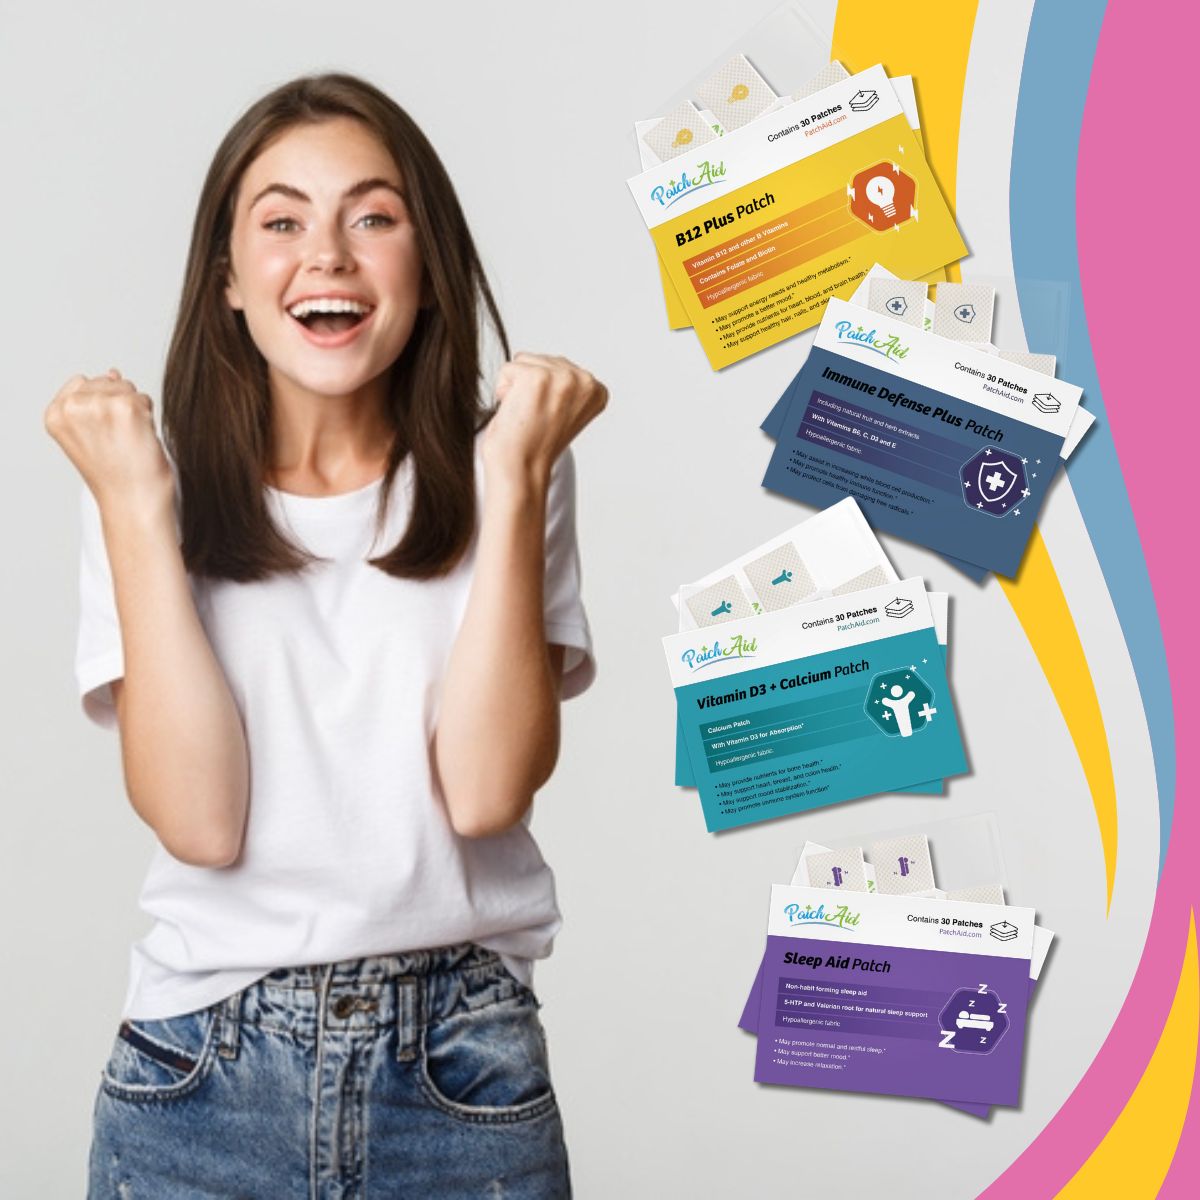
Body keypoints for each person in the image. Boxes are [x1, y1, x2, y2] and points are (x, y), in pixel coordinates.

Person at [44, 72, 605, 1199]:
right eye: (283, 220)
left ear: (426, 265)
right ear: (231, 287)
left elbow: (488, 791)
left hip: (462, 1074)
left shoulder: (513, 469)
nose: (329, 255)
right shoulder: (144, 491)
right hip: (199, 1076)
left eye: (374, 217)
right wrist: (137, 512)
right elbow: (201, 820)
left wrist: (518, 474)